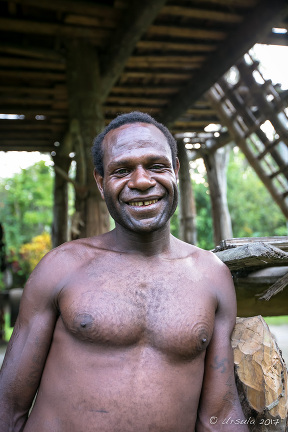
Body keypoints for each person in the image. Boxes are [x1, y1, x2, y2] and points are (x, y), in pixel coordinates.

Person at [0, 111, 248, 432]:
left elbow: (221, 413)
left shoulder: (211, 276)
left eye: (157, 166)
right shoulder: (62, 267)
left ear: (176, 170)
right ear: (102, 184)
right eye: (122, 170)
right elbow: (8, 406)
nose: (142, 181)